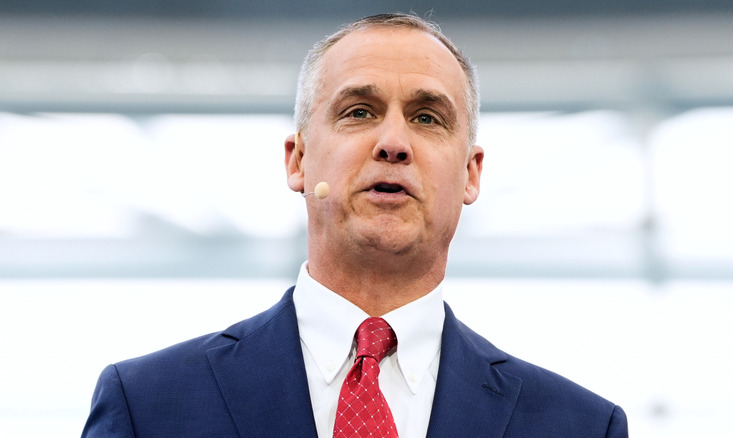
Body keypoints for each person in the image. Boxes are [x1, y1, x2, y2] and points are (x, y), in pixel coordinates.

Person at [82, 13, 628, 438]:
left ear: (470, 173)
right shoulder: (148, 405)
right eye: (359, 112)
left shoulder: (579, 426)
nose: (393, 143)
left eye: (428, 118)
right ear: (297, 160)